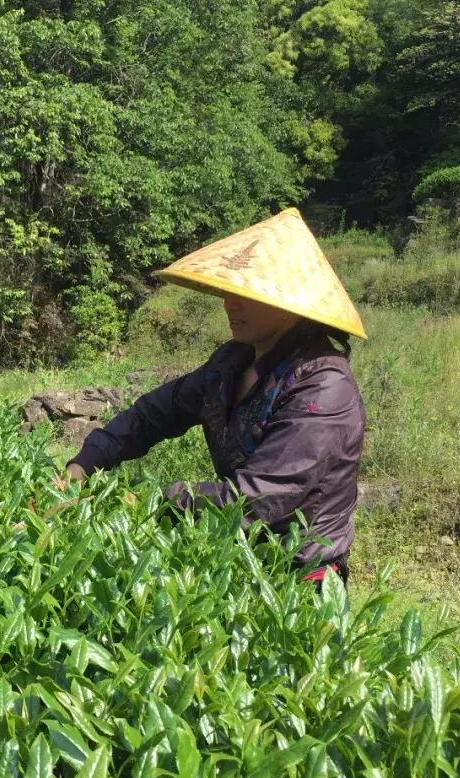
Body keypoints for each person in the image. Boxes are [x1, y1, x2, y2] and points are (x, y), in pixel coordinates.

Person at [63, 209, 367, 584]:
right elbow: (152, 415)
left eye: (247, 293)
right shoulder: (231, 362)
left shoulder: (323, 387)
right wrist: (85, 464)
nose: (230, 303)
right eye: (230, 290)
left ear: (291, 302)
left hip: (296, 575)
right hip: (236, 556)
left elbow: (257, 499)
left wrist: (142, 501)